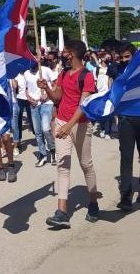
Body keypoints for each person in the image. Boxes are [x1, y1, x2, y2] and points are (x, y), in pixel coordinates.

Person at [38, 39, 99, 229]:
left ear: (72, 54)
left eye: (65, 52)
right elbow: (58, 96)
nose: (62, 54)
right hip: (63, 122)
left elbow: (84, 105)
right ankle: (62, 212)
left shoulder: (87, 76)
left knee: (85, 164)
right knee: (63, 166)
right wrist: (47, 88)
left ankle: (93, 202)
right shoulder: (63, 73)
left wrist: (69, 125)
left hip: (79, 125)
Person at [111, 43, 140, 211]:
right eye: (121, 57)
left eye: (127, 57)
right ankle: (126, 195)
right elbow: (114, 92)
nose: (123, 60)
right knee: (126, 158)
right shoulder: (117, 71)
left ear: (134, 56)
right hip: (126, 119)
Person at [23, 61, 56, 167]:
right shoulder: (26, 73)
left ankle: (53, 151)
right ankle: (43, 155)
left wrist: (47, 95)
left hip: (47, 103)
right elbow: (26, 89)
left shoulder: (45, 70)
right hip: (34, 105)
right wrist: (29, 98)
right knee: (37, 132)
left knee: (46, 129)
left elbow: (55, 85)